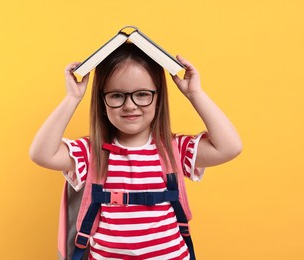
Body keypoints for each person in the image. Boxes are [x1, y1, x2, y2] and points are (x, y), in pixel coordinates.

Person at [29, 43, 242, 259]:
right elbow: (41, 154)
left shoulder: (174, 149)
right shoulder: (92, 152)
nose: (130, 105)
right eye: (116, 95)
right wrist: (72, 98)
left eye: (142, 94)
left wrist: (195, 93)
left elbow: (230, 147)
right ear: (102, 101)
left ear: (158, 98)